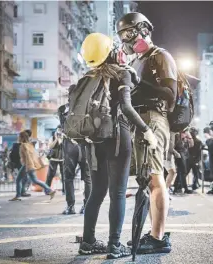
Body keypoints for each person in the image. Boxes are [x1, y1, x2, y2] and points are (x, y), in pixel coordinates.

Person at [77, 33, 157, 259]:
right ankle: (114, 245)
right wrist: (146, 130)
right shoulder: (122, 74)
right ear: (111, 52)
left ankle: (88, 242)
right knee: (118, 193)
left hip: (93, 141)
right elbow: (127, 108)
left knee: (96, 192)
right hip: (116, 137)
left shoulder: (87, 78)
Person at [116, 12, 175, 253]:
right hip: (139, 121)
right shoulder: (135, 61)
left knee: (155, 176)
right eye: (123, 35)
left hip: (153, 118)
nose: (128, 39)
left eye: (131, 33)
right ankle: (152, 233)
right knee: (146, 180)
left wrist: (137, 81)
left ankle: (158, 239)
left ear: (144, 30)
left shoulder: (160, 56)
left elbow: (170, 95)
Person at [60, 102, 93, 215]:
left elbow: (63, 126)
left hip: (70, 145)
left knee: (69, 178)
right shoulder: (88, 106)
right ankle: (87, 206)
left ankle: (70, 206)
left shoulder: (63, 109)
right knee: (87, 178)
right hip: (85, 145)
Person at [10, 131, 56, 201]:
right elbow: (34, 156)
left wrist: (29, 166)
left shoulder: (23, 145)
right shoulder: (29, 145)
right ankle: (49, 190)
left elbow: (28, 157)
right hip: (29, 165)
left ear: (22, 137)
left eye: (19, 136)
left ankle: (18, 196)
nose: (18, 138)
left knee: (19, 180)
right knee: (34, 180)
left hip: (27, 165)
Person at [173, 129, 194, 194]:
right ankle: (185, 188)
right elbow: (173, 146)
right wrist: (176, 153)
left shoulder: (184, 139)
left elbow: (191, 145)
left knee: (180, 172)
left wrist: (189, 137)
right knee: (183, 172)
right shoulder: (176, 136)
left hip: (184, 155)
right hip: (180, 155)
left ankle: (176, 187)